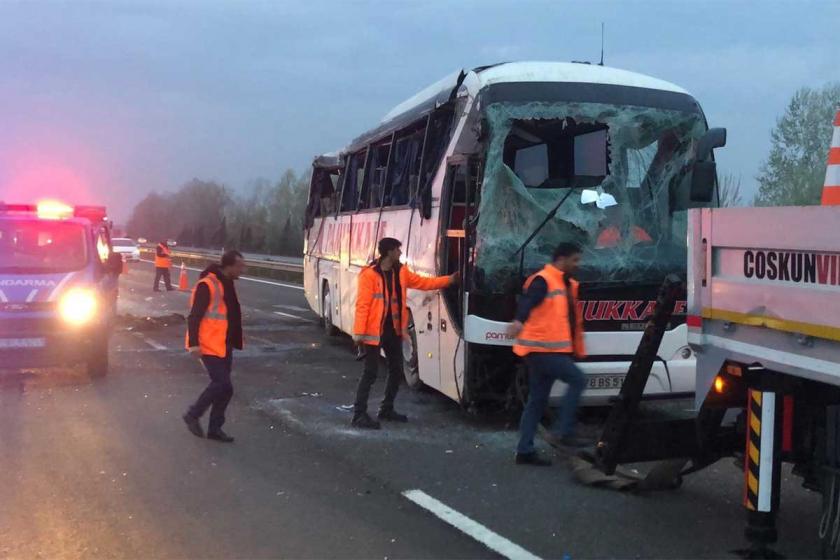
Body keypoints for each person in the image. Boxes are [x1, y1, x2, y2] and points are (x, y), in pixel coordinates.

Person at [351, 237, 458, 429]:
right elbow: (363, 305)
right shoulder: (369, 275)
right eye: (398, 250)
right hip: (373, 332)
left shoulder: (401, 272)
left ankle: (386, 408)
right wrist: (358, 332)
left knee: (397, 370)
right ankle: (359, 415)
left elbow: (424, 283)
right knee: (370, 373)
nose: (400, 253)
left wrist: (449, 280)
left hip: (393, 329)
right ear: (389, 252)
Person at [507, 242, 588, 466]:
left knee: (537, 400)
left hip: (548, 351)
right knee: (578, 380)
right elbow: (527, 302)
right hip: (543, 350)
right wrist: (518, 320)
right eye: (575, 260)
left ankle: (524, 451)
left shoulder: (566, 284)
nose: (577, 264)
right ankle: (564, 431)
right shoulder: (544, 280)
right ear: (561, 259)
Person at [182, 250, 245, 443]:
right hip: (208, 344)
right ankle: (193, 414)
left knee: (226, 389)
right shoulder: (207, 285)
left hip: (224, 343)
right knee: (221, 383)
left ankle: (214, 429)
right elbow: (194, 317)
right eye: (239, 266)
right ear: (228, 266)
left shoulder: (227, 283)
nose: (242, 269)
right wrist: (193, 344)